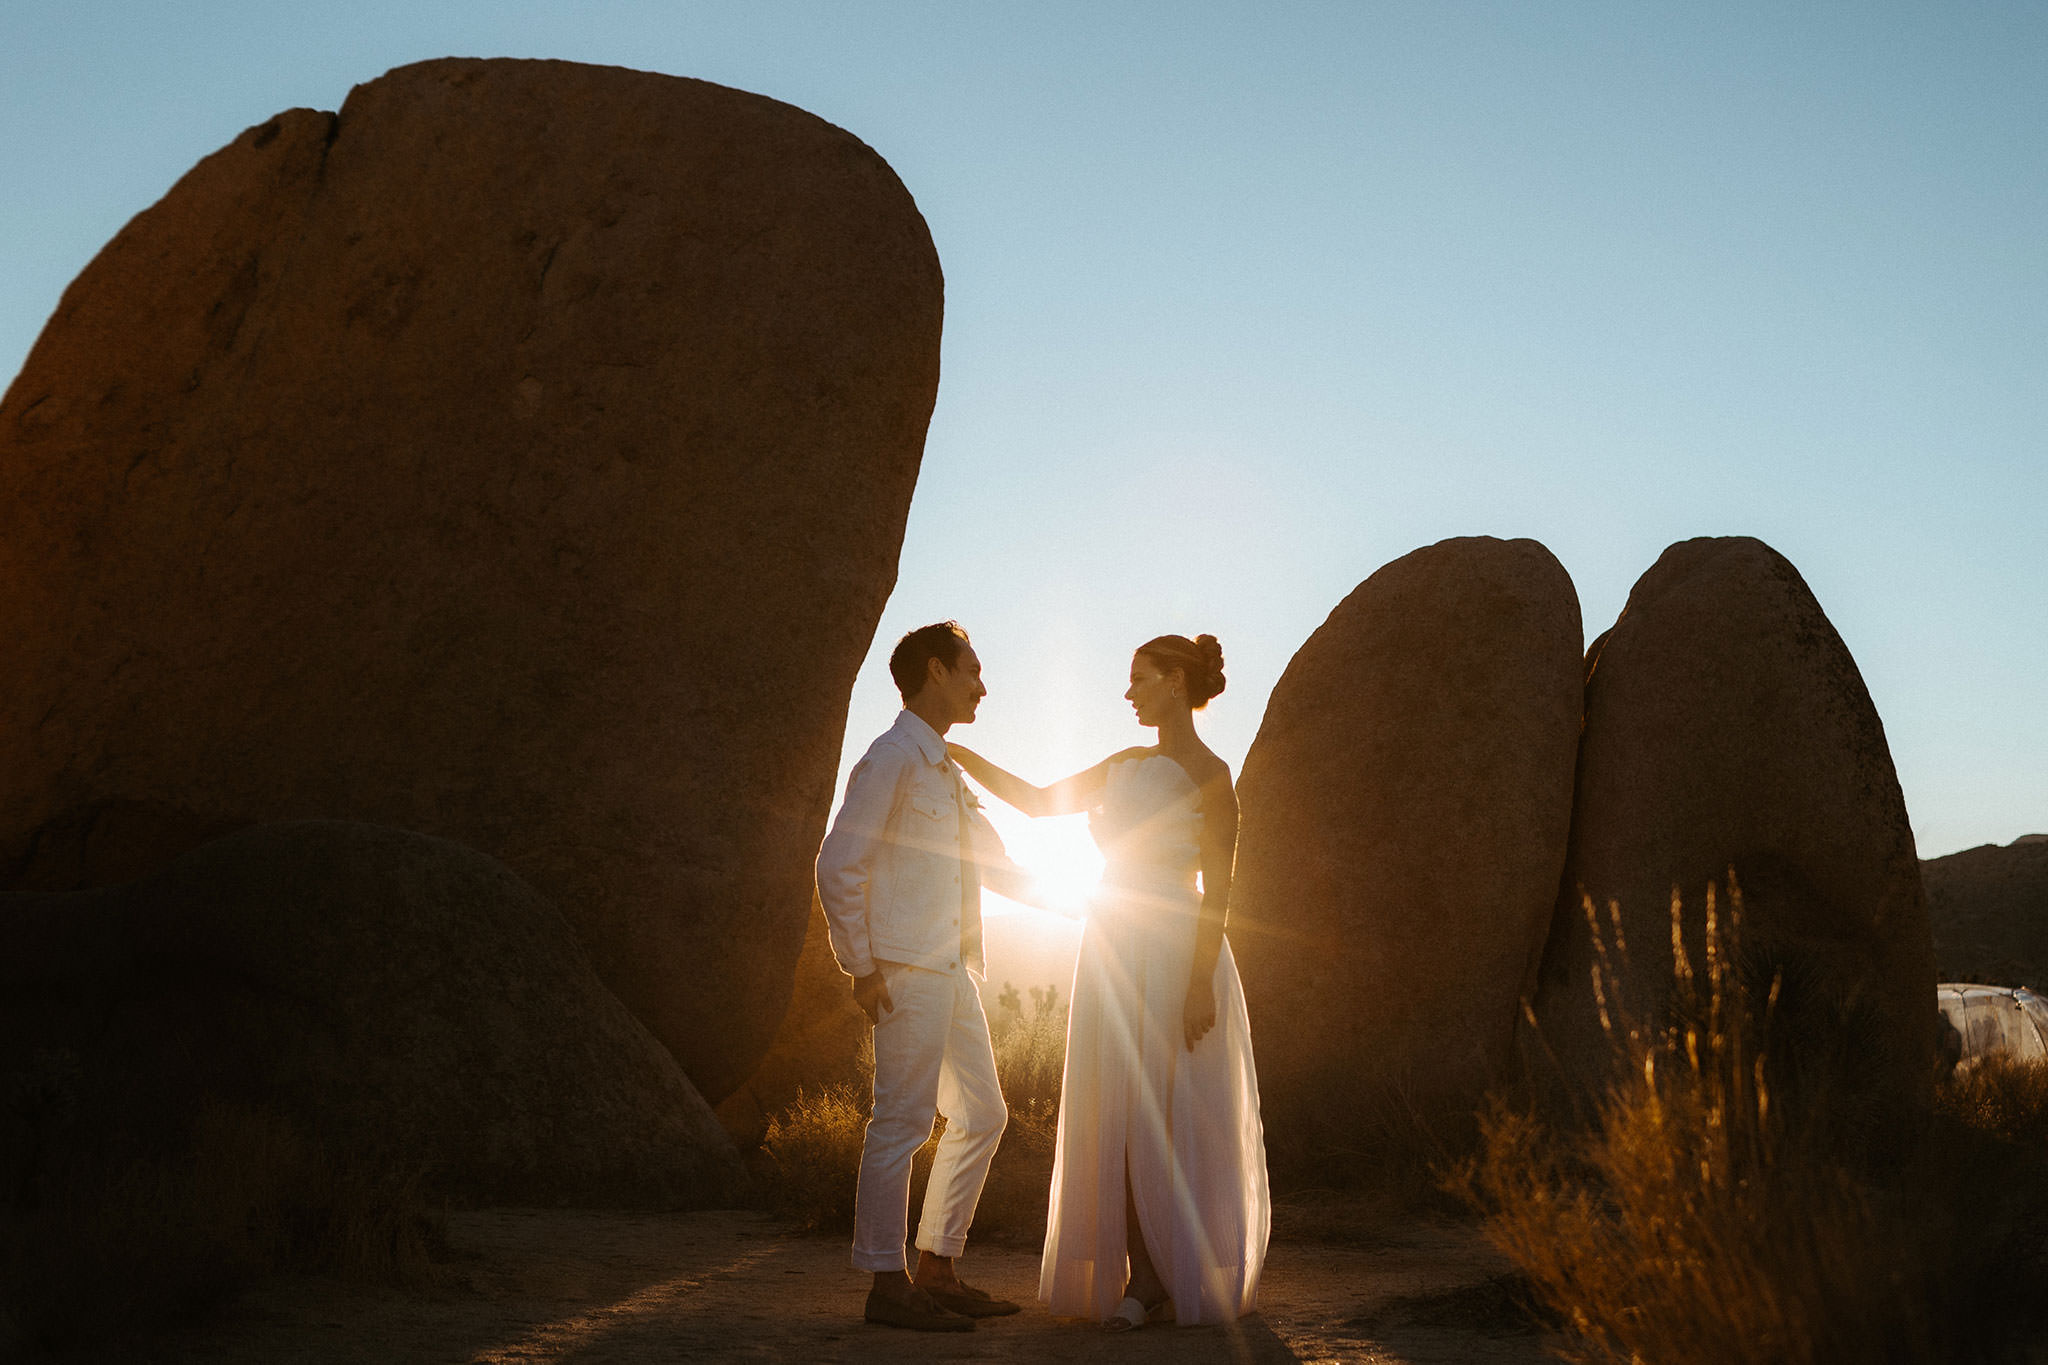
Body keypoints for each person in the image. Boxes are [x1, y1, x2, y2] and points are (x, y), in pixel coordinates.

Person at [949, 633, 1269, 1332]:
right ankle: (1140, 1273)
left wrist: (1196, 982)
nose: (1128, 693)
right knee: (1115, 1109)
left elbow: (1220, 889)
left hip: (1176, 945)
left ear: (1177, 683)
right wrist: (956, 752)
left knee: (1170, 1110)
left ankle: (1164, 1271)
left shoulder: (1214, 777)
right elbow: (1037, 801)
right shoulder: (1126, 763)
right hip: (1111, 943)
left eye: (1141, 678)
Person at [816, 621, 1027, 1332]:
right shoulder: (890, 758)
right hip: (904, 968)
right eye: (973, 669)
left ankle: (937, 1264)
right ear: (936, 671)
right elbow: (837, 863)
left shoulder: (945, 768)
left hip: (954, 968)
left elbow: (998, 867)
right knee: (902, 1121)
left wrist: (1104, 906)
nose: (982, 684)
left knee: (984, 1114)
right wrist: (863, 965)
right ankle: (886, 1281)